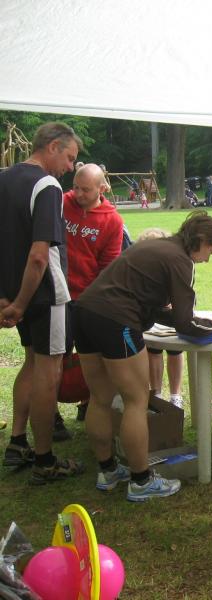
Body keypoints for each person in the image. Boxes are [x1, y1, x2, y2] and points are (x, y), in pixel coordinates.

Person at [73, 211, 212, 501]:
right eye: (211, 251)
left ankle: (108, 470)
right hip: (116, 319)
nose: (207, 259)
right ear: (200, 240)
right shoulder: (181, 260)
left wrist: (197, 321)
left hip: (85, 311)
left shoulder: (155, 247)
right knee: (136, 400)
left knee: (99, 397)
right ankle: (141, 481)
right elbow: (185, 323)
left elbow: (155, 307)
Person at [1, 122, 84, 485]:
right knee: (48, 374)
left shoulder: (3, 178)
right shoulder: (47, 186)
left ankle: (17, 442)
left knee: (31, 362)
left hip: (15, 293)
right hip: (46, 295)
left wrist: (6, 296)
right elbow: (39, 256)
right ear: (52, 147)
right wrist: (20, 303)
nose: (70, 167)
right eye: (69, 158)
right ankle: (45, 460)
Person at [61, 163, 125, 427]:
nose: (78, 194)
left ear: (102, 189)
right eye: (75, 187)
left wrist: (94, 302)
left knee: (93, 358)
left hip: (87, 301)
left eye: (85, 189)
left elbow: (108, 267)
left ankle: (87, 402)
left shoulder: (112, 220)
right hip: (57, 296)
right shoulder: (62, 202)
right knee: (57, 357)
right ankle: (51, 413)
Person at [137, 228, 185, 408]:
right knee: (154, 351)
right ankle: (156, 394)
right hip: (151, 322)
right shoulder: (139, 269)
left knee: (175, 350)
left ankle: (175, 395)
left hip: (171, 319)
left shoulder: (174, 267)